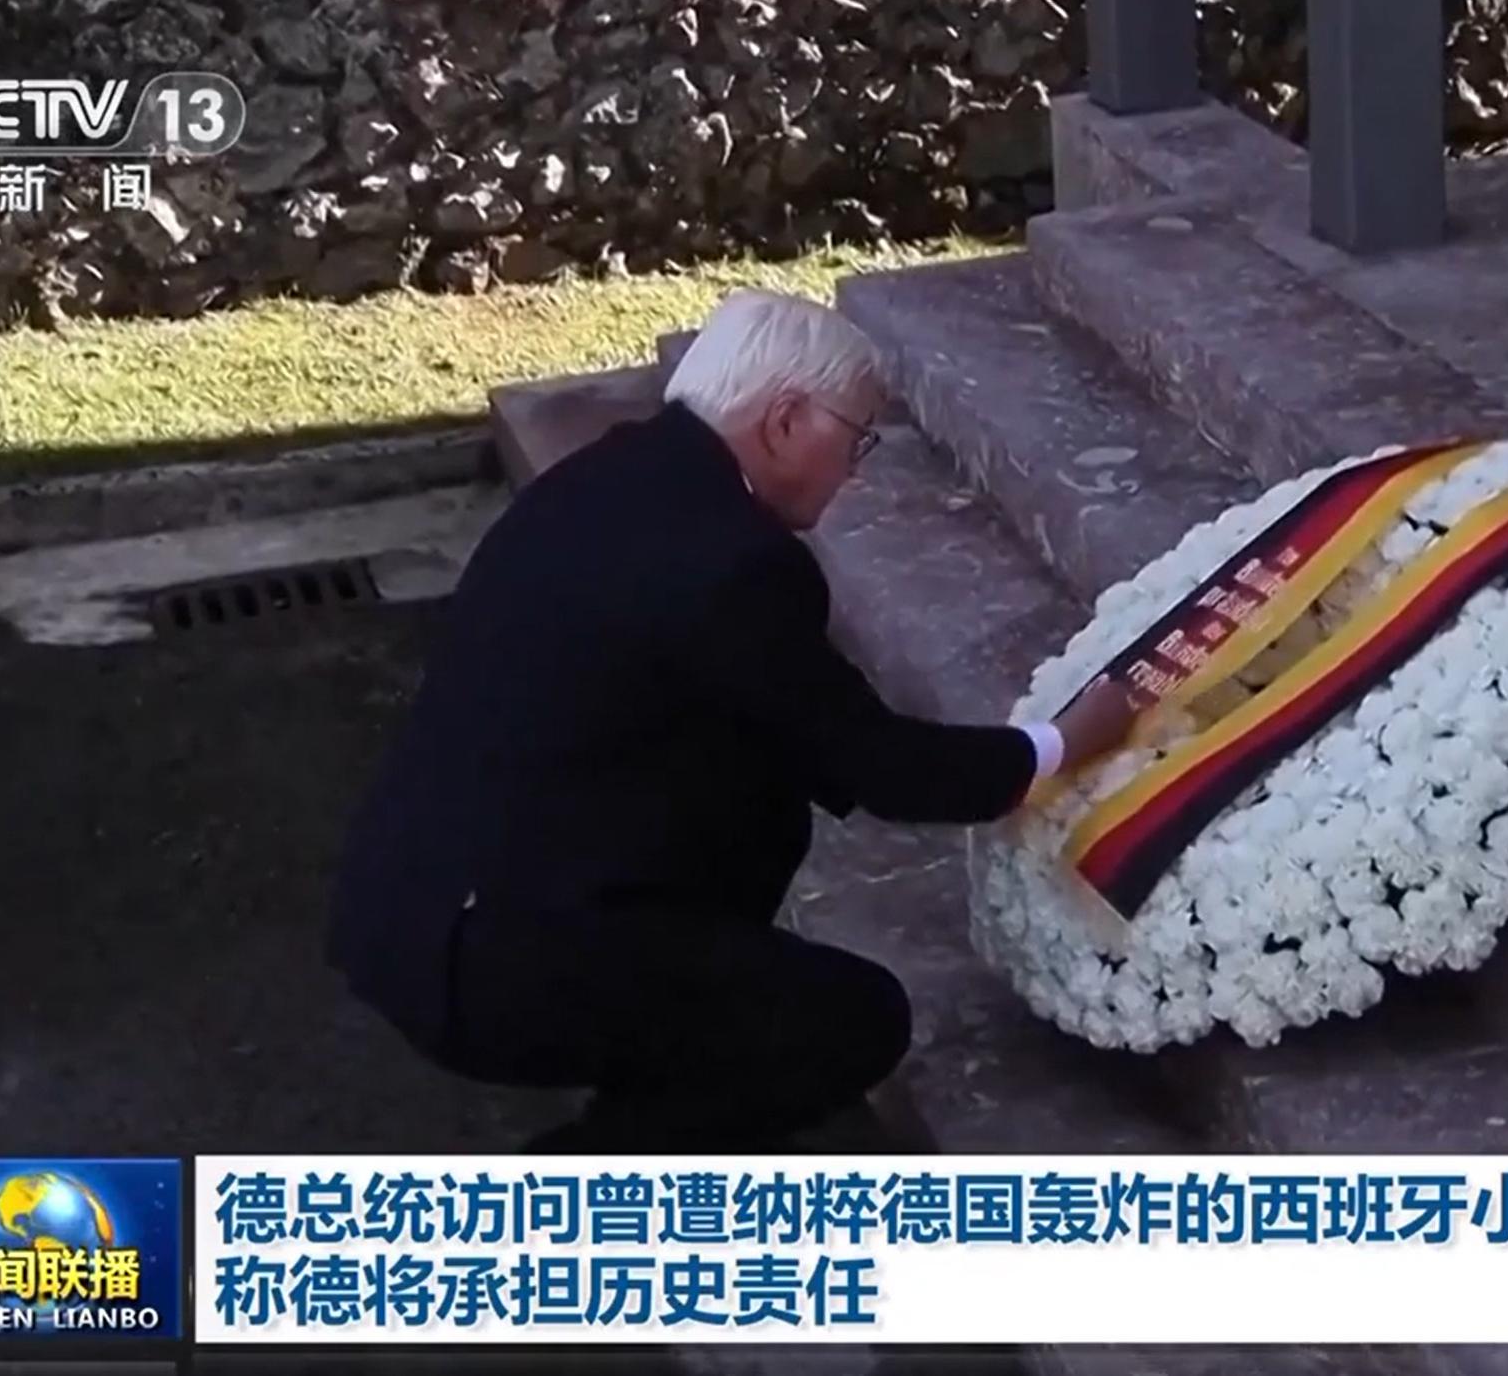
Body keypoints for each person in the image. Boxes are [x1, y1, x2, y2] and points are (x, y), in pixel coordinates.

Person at [326, 289, 1140, 1153]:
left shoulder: (604, 478)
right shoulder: (732, 563)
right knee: (849, 1021)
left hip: (403, 903)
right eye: (857, 437)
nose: (857, 470)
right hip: (490, 955)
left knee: (745, 807)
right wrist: (1059, 744)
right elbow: (874, 764)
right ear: (784, 421)